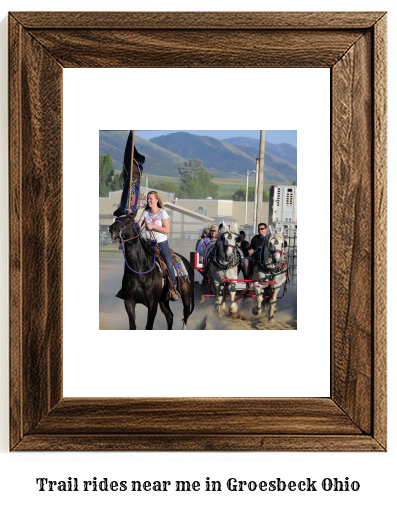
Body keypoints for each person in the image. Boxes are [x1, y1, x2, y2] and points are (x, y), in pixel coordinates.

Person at [137, 191, 180, 301]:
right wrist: (130, 218)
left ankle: (173, 287)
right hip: (147, 243)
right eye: (148, 199)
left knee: (169, 263)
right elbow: (138, 226)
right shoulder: (145, 213)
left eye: (151, 198)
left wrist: (152, 226)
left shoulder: (162, 213)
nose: (149, 201)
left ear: (157, 200)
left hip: (161, 243)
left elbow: (167, 230)